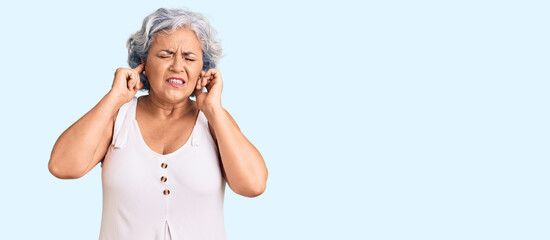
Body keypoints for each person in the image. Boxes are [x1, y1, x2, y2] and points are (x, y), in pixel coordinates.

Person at [48, 7, 268, 240]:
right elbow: (62, 167)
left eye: (189, 58)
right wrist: (114, 98)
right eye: (165, 55)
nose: (177, 66)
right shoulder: (118, 117)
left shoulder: (214, 121)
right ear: (143, 61)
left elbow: (253, 185)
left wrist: (213, 108)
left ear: (202, 68)